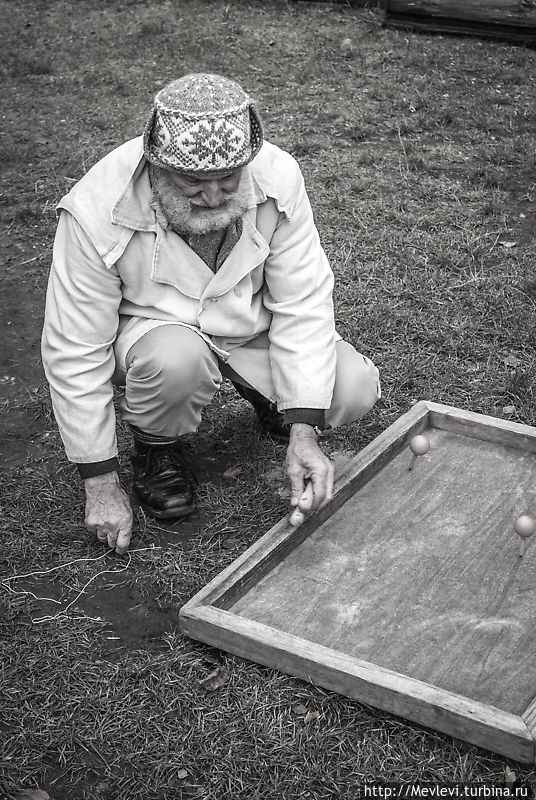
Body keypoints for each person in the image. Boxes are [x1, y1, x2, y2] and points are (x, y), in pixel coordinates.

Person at [41, 73, 381, 555]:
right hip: (153, 333)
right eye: (194, 182)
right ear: (155, 166)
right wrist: (99, 481)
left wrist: (304, 431)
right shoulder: (94, 209)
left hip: (247, 324)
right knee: (177, 359)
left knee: (351, 387)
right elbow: (74, 349)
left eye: (229, 179)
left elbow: (303, 301)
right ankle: (157, 449)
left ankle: (272, 401)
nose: (216, 197)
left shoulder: (278, 176)